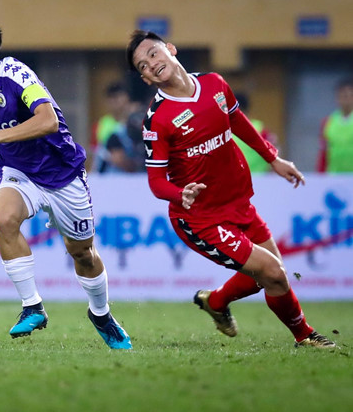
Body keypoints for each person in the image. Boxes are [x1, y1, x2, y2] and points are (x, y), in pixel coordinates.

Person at [126, 30, 335, 348]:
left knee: (271, 274)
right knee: (273, 273)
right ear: (144, 79)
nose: (151, 65)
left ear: (170, 49)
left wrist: (273, 158)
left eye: (153, 54)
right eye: (142, 65)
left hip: (238, 202)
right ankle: (305, 336)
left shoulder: (214, 83)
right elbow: (156, 182)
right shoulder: (157, 120)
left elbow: (237, 121)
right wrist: (179, 193)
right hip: (199, 218)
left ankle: (217, 302)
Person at [0, 17, 131, 349]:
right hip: (18, 169)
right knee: (5, 217)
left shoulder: (16, 75)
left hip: (62, 171)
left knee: (82, 252)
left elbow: (48, 120)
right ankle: (32, 306)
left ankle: (100, 314)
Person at [232, 93, 276, 173]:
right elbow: (275, 156)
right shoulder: (261, 129)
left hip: (237, 180)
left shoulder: (225, 130)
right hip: (260, 180)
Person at [316, 77, 353, 173]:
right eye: (343, 96)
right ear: (337, 98)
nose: (346, 100)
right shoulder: (328, 122)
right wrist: (320, 175)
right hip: (334, 175)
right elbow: (323, 151)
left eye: (349, 96)